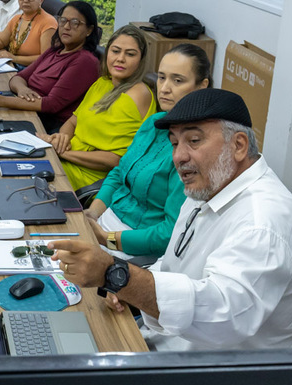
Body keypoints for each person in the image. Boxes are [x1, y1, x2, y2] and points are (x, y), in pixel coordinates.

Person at [50, 88, 292, 352]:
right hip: (167, 341)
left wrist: (117, 275)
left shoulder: (263, 222)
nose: (179, 156)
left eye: (194, 141)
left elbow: (222, 317)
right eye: (175, 143)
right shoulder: (209, 186)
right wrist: (132, 290)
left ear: (239, 145)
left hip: (224, 377)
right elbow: (175, 261)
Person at [83, 43, 212, 256]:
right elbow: (119, 172)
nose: (164, 88)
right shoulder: (154, 121)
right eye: (161, 77)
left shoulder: (193, 150)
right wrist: (92, 213)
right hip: (103, 222)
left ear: (201, 86)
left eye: (177, 80)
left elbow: (169, 234)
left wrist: (107, 240)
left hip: (135, 248)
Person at [42, 25, 157, 191]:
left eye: (130, 54)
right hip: (63, 161)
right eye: (115, 51)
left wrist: (62, 153)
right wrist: (61, 139)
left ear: (141, 60)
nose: (120, 59)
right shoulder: (102, 83)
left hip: (88, 181)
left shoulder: (139, 94)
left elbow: (116, 160)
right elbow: (74, 121)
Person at [0, 0, 99, 133]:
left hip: (47, 125)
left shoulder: (85, 61)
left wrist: (0, 101)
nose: (67, 27)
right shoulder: (55, 50)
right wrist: (22, 89)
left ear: (89, 30)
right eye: (63, 21)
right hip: (27, 110)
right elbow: (18, 77)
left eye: (75, 23)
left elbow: (50, 105)